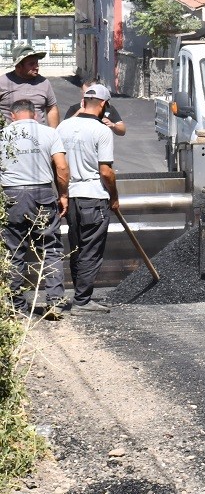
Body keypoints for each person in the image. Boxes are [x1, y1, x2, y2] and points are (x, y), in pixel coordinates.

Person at [1, 99, 69, 317]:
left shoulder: (2, 135)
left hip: (10, 194)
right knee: (50, 248)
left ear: (12, 116)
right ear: (35, 115)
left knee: (13, 251)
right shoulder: (49, 133)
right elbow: (61, 167)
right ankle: (54, 303)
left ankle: (15, 307)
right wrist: (64, 195)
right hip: (41, 193)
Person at [58, 84, 119, 313]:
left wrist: (62, 193)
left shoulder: (63, 127)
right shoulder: (102, 131)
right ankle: (82, 301)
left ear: (83, 102)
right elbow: (106, 171)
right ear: (103, 105)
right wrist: (114, 197)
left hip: (71, 197)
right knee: (91, 250)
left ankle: (80, 296)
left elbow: (58, 166)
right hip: (94, 197)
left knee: (76, 248)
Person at [0, 43, 59, 127]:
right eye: (31, 64)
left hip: (38, 137)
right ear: (19, 66)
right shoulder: (3, 82)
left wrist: (53, 133)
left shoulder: (44, 82)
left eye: (37, 63)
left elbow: (52, 109)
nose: (37, 67)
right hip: (10, 138)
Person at [63, 79, 127, 137]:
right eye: (85, 92)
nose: (87, 96)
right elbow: (63, 128)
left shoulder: (108, 108)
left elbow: (122, 130)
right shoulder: (75, 108)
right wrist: (79, 112)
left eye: (90, 93)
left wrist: (113, 125)